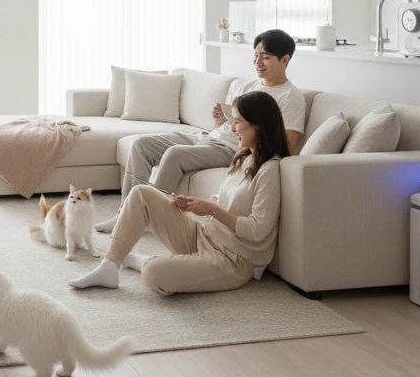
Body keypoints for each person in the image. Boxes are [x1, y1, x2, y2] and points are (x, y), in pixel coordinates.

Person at [69, 90, 289, 293]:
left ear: (259, 125)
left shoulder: (269, 171)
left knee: (154, 273)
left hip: (231, 260)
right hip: (204, 236)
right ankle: (109, 266)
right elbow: (225, 199)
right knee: (141, 193)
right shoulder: (244, 156)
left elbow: (257, 231)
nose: (232, 129)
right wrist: (195, 204)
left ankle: (141, 261)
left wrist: (211, 210)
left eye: (238, 122)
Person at [94, 28, 305, 233]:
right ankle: (125, 213)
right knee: (142, 144)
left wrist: (245, 145)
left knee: (175, 154)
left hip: (231, 149)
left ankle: (143, 217)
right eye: (256, 55)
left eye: (265, 57)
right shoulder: (247, 87)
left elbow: (285, 146)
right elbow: (234, 125)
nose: (257, 62)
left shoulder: (291, 97)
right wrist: (221, 121)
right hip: (208, 137)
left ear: (285, 60)